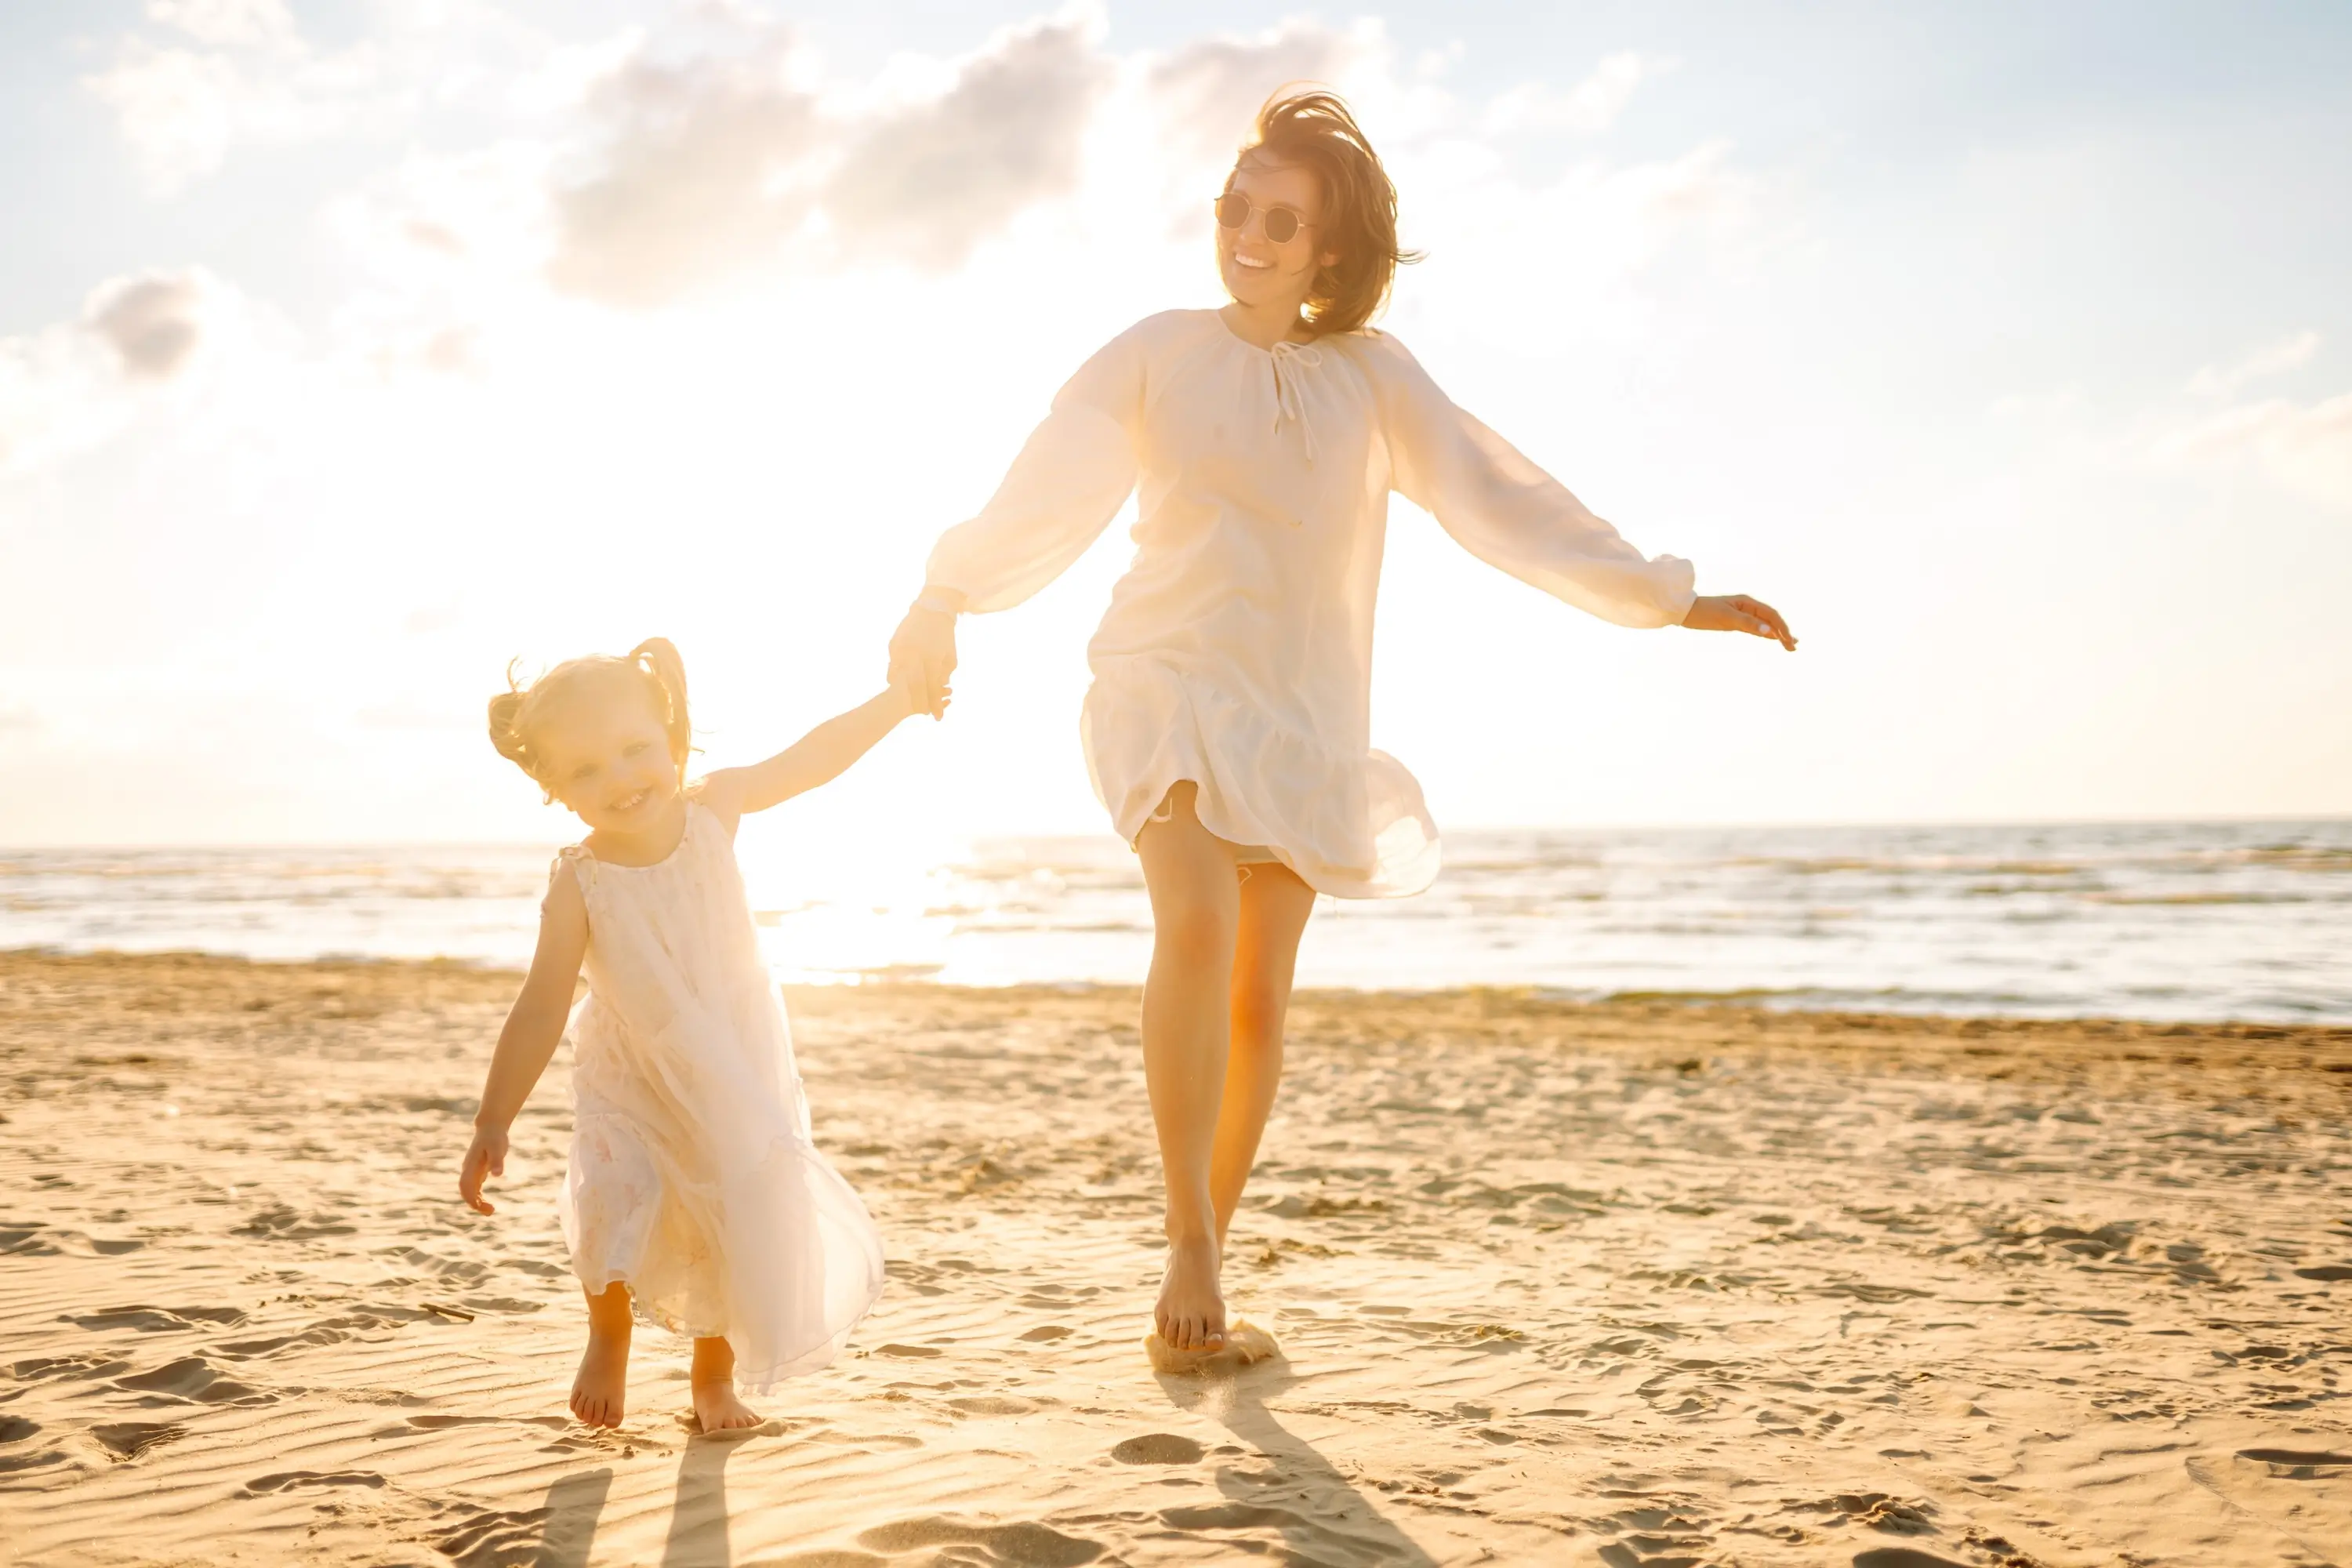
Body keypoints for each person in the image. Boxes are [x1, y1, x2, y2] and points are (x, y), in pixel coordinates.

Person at [887, 90, 1795, 1363]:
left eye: (1282, 220)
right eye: (1237, 210)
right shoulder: (1153, 349)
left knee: (1259, 999)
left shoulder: (1374, 379)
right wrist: (946, 595)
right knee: (1195, 920)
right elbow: (1050, 480)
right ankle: (1190, 1247)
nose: (1250, 237)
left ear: (1328, 250)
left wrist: (1664, 596)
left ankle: (1201, 1276)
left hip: (1302, 715)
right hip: (1166, 678)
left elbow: (1495, 492)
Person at [459, 638, 922, 1428]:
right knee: (616, 1192)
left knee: (727, 1216)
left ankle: (715, 1379)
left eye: (636, 749)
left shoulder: (716, 808)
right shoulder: (580, 878)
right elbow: (540, 1002)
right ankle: (609, 1334)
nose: (620, 779)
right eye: (586, 770)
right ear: (553, 787)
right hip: (629, 1067)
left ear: (672, 736)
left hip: (731, 1061)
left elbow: (812, 758)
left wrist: (899, 700)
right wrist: (492, 1117)